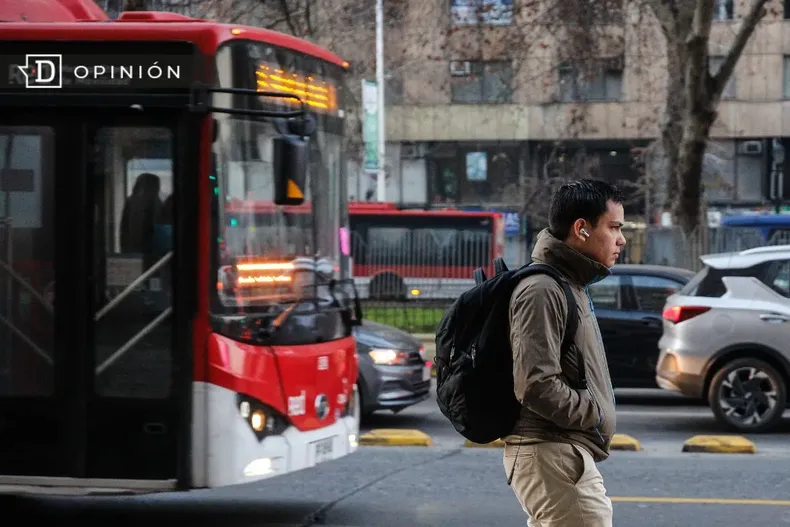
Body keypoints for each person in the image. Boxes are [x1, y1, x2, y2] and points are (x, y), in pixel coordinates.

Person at [503, 179, 626, 527]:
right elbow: (535, 384)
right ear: (581, 229)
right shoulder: (543, 289)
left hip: (560, 452)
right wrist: (594, 412)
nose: (621, 239)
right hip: (552, 451)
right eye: (614, 227)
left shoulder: (570, 284)